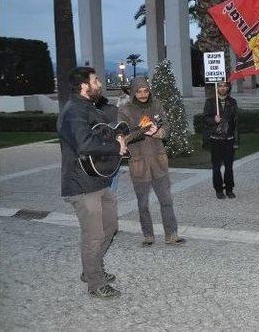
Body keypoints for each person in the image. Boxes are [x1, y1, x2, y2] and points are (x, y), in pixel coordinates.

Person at [57, 67, 125, 298]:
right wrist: (116, 147)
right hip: (81, 183)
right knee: (94, 235)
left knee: (110, 227)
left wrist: (120, 138)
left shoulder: (88, 108)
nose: (100, 84)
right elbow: (84, 144)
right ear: (84, 86)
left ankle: (91, 269)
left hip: (98, 180)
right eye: (96, 80)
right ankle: (95, 282)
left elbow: (100, 136)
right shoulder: (73, 111)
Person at [119, 77, 185, 246]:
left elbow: (167, 128)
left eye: (145, 90)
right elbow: (123, 137)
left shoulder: (157, 105)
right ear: (133, 92)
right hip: (139, 163)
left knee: (166, 200)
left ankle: (171, 234)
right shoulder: (125, 110)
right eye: (139, 91)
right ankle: (148, 235)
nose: (142, 94)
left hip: (158, 161)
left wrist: (158, 133)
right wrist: (143, 130)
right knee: (142, 203)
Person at [203, 80, 239, 199]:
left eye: (225, 86)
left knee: (229, 166)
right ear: (216, 88)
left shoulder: (232, 102)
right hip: (215, 139)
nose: (223, 88)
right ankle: (218, 189)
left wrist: (236, 140)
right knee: (216, 166)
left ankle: (229, 189)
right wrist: (214, 120)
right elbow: (205, 119)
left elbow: (236, 122)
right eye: (220, 86)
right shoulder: (210, 102)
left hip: (228, 139)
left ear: (228, 88)